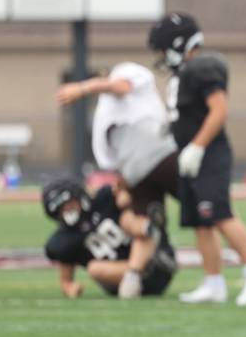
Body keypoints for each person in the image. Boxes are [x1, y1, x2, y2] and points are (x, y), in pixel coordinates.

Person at [147, 12, 246, 306]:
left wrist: (198, 146)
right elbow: (191, 113)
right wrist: (171, 126)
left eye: (164, 50)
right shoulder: (182, 76)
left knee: (219, 214)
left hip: (209, 154)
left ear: (178, 45)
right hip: (190, 155)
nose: (162, 57)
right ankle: (213, 281)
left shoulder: (202, 67)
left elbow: (219, 110)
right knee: (199, 221)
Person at [56, 61, 178, 298]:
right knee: (138, 214)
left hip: (158, 151)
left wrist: (82, 89)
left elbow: (120, 87)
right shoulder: (105, 114)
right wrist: (68, 285)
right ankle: (134, 274)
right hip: (134, 168)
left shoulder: (126, 75)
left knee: (201, 207)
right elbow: (64, 256)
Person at [42, 176, 176, 298]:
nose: (68, 209)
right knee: (94, 268)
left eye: (70, 203)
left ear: (78, 196)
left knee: (127, 218)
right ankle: (136, 273)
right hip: (122, 282)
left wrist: (124, 195)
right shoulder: (65, 238)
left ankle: (150, 229)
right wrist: (71, 289)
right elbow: (66, 281)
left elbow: (124, 191)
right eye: (62, 209)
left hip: (152, 261)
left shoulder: (104, 199)